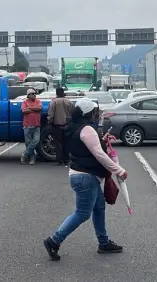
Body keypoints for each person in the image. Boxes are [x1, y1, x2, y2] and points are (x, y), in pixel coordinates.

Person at [43, 98, 127, 261]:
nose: (97, 115)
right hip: (85, 177)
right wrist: (119, 170)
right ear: (89, 114)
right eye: (95, 112)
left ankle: (103, 242)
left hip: (82, 174)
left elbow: (87, 148)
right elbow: (99, 154)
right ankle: (54, 241)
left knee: (99, 208)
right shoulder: (87, 129)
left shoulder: (75, 127)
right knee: (82, 213)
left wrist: (102, 140)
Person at [47, 87, 73, 166]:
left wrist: (49, 121)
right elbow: (72, 112)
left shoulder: (54, 102)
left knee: (58, 143)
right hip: (67, 125)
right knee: (66, 143)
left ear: (56, 93)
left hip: (57, 126)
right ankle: (67, 160)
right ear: (63, 93)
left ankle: (60, 160)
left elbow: (50, 114)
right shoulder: (69, 101)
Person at [20, 88, 42, 165]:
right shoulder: (24, 102)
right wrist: (34, 109)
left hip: (36, 125)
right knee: (28, 143)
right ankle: (32, 158)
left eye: (34, 93)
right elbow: (23, 111)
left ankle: (25, 154)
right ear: (28, 95)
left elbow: (39, 108)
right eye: (32, 94)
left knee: (36, 141)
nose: (34, 95)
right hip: (27, 125)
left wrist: (29, 108)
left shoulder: (38, 101)